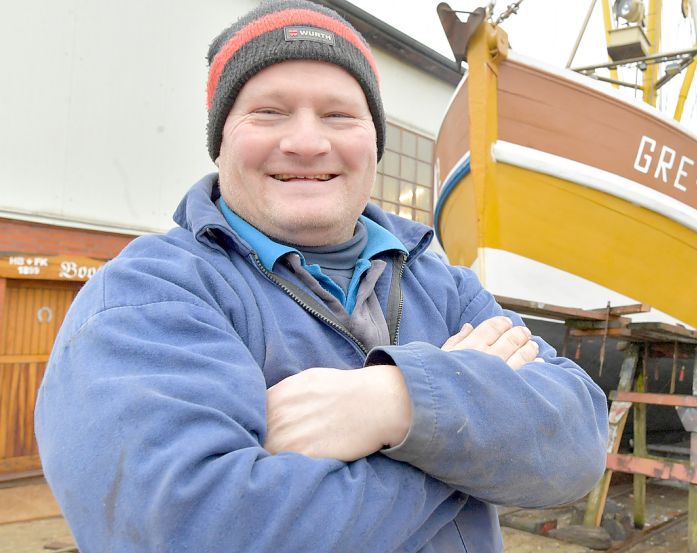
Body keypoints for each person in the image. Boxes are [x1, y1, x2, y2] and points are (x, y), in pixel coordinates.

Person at [34, 1, 608, 551]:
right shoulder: (149, 295)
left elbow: (579, 440)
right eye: (269, 112)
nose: (307, 142)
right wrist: (472, 445)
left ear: (372, 144)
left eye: (339, 115)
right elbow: (192, 530)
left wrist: (395, 403)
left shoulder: (445, 284)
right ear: (220, 140)